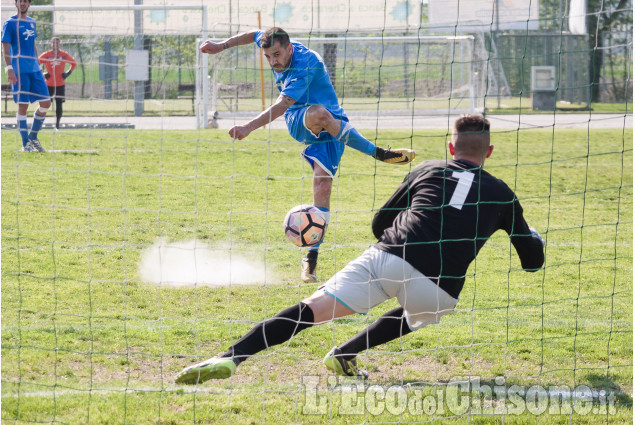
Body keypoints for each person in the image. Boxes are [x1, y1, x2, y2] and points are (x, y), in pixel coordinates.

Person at [175, 115, 546, 384]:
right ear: (491, 151)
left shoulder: (427, 170)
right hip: (437, 288)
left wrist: (396, 245)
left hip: (388, 256)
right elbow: (532, 264)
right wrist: (532, 238)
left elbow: (380, 222)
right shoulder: (504, 195)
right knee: (423, 310)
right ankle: (345, 354)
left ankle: (231, 357)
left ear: (451, 147)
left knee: (309, 311)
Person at [199, 27, 416, 283]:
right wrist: (221, 46)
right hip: (298, 118)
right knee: (318, 114)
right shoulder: (275, 47)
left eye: (277, 55)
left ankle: (310, 259)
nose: (273, 62)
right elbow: (255, 35)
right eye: (268, 56)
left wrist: (248, 127)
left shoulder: (306, 63)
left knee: (323, 187)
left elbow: (279, 104)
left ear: (290, 48)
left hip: (333, 125)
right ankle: (379, 153)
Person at [1, 0, 50, 152]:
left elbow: (33, 45)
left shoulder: (31, 22)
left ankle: (33, 137)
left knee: (46, 103)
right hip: (19, 71)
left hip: (34, 69)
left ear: (29, 4)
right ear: (16, 3)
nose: (22, 3)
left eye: (25, 1)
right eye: (19, 1)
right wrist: (9, 68)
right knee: (23, 105)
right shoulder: (10, 23)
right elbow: (5, 47)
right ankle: (25, 144)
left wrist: (39, 66)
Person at [39, 36, 76, 130]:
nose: (55, 44)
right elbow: (36, 63)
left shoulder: (63, 55)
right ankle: (39, 124)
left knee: (59, 105)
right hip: (48, 85)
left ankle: (57, 125)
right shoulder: (47, 55)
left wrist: (68, 73)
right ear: (51, 44)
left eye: (57, 43)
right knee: (45, 105)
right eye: (53, 43)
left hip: (60, 84)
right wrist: (42, 74)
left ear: (59, 44)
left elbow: (74, 63)